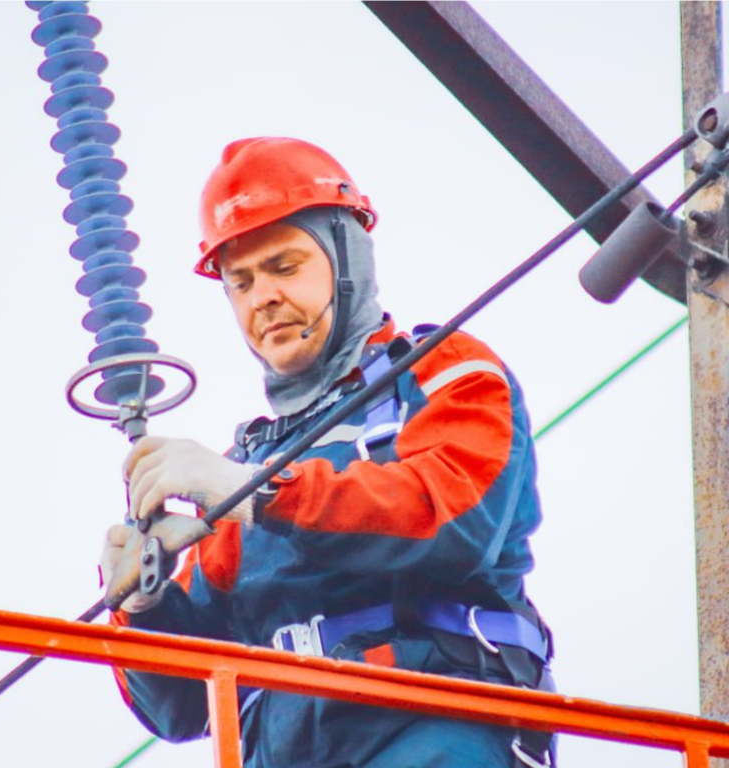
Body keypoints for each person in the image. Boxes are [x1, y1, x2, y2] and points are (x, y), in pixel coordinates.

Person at [100, 137, 556, 767]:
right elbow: (184, 704)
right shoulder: (245, 466)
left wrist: (258, 493)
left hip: (430, 733)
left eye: (285, 267)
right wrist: (144, 606)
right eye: (242, 281)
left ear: (348, 259)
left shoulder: (440, 373)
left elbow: (451, 519)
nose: (262, 297)